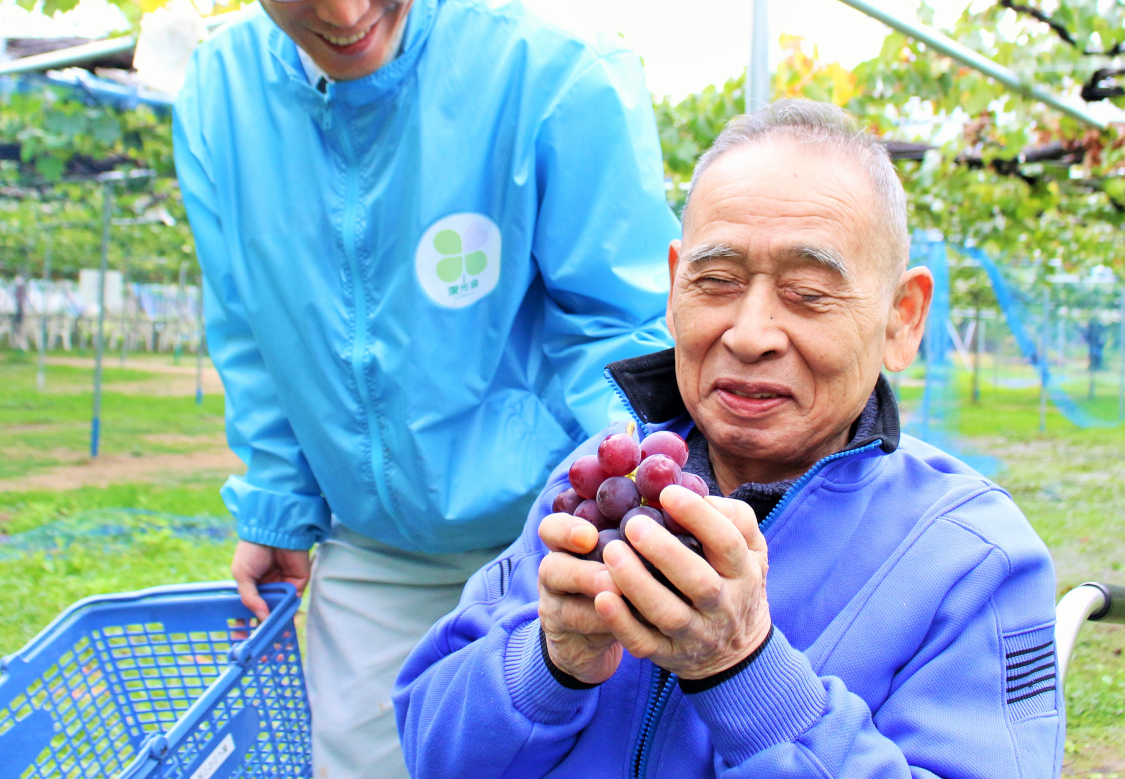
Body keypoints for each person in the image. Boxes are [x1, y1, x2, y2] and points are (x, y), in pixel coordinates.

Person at [172, 0, 680, 779]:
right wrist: (276, 506)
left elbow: (617, 332)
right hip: (376, 550)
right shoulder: (219, 99)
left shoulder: (556, 72)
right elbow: (250, 331)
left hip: (552, 535)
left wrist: (622, 507)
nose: (346, 8)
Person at [395, 99, 1063, 779]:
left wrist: (741, 666)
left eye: (807, 293)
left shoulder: (974, 559)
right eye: (715, 282)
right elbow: (432, 749)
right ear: (673, 287)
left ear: (902, 317)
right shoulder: (601, 483)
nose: (749, 334)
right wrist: (549, 662)